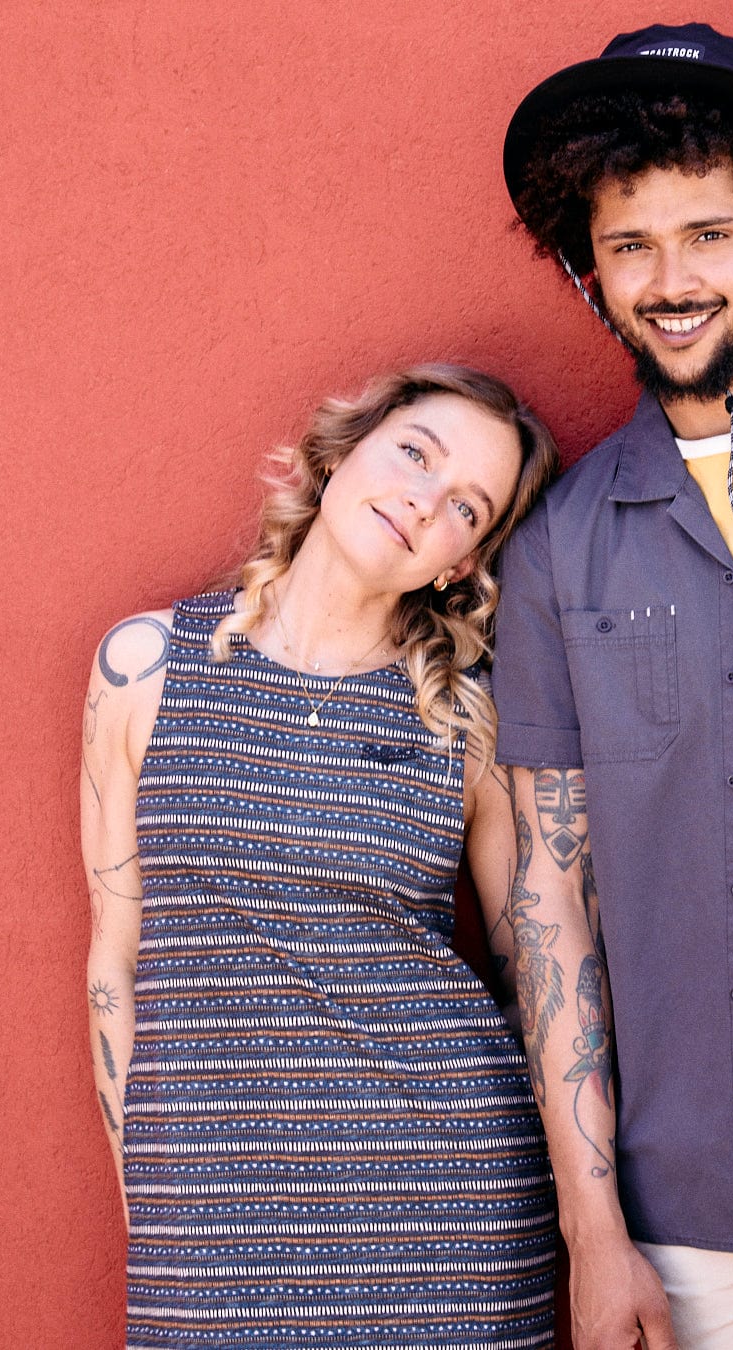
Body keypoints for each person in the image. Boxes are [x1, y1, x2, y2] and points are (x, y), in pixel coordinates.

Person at [80, 363, 560, 1348]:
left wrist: (590, 1227)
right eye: (415, 454)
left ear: (460, 565)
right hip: (210, 1228)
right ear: (346, 450)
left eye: (466, 506)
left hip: (448, 1217)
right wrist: (159, 1216)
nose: (425, 501)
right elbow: (117, 965)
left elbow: (537, 979)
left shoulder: (467, 719)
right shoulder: (145, 667)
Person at [494, 21, 733, 1350]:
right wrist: (596, 1234)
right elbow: (549, 906)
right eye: (630, 243)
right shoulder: (561, 544)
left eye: (706, 233)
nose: (670, 279)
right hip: (706, 1185)